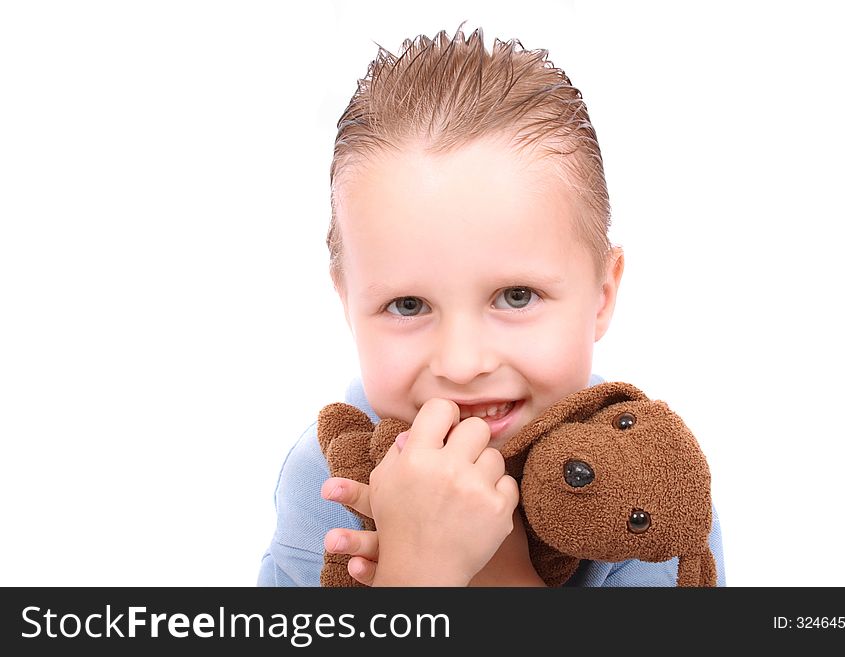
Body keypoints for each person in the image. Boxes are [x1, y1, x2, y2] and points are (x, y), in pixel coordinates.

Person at [258, 24, 725, 587]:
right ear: (347, 305)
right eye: (407, 305)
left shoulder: (645, 478)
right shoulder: (330, 470)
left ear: (602, 294)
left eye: (516, 296)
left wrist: (495, 574)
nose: (462, 362)